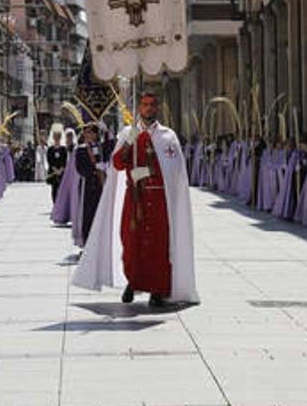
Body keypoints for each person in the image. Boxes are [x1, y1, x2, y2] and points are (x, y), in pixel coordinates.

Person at [74, 92, 198, 307]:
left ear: (156, 108)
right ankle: (133, 282)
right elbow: (118, 164)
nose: (149, 108)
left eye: (152, 104)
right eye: (145, 105)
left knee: (158, 244)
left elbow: (174, 172)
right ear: (139, 108)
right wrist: (128, 144)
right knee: (131, 242)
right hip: (135, 199)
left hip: (159, 199)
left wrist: (146, 171)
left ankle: (158, 290)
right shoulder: (128, 133)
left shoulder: (168, 136)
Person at [73, 123, 109, 246]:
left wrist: (107, 132)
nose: (88, 135)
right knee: (87, 213)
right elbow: (80, 168)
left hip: (101, 184)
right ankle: (87, 240)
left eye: (91, 132)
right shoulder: (81, 149)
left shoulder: (102, 147)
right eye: (86, 132)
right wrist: (94, 169)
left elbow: (109, 152)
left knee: (101, 212)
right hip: (87, 184)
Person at [46, 128, 68, 203]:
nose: (56, 138)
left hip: (62, 172)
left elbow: (65, 160)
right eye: (55, 136)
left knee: (62, 189)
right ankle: (55, 204)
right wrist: (55, 169)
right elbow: (49, 160)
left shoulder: (63, 149)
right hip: (54, 172)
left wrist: (61, 169)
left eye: (58, 136)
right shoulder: (50, 149)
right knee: (54, 189)